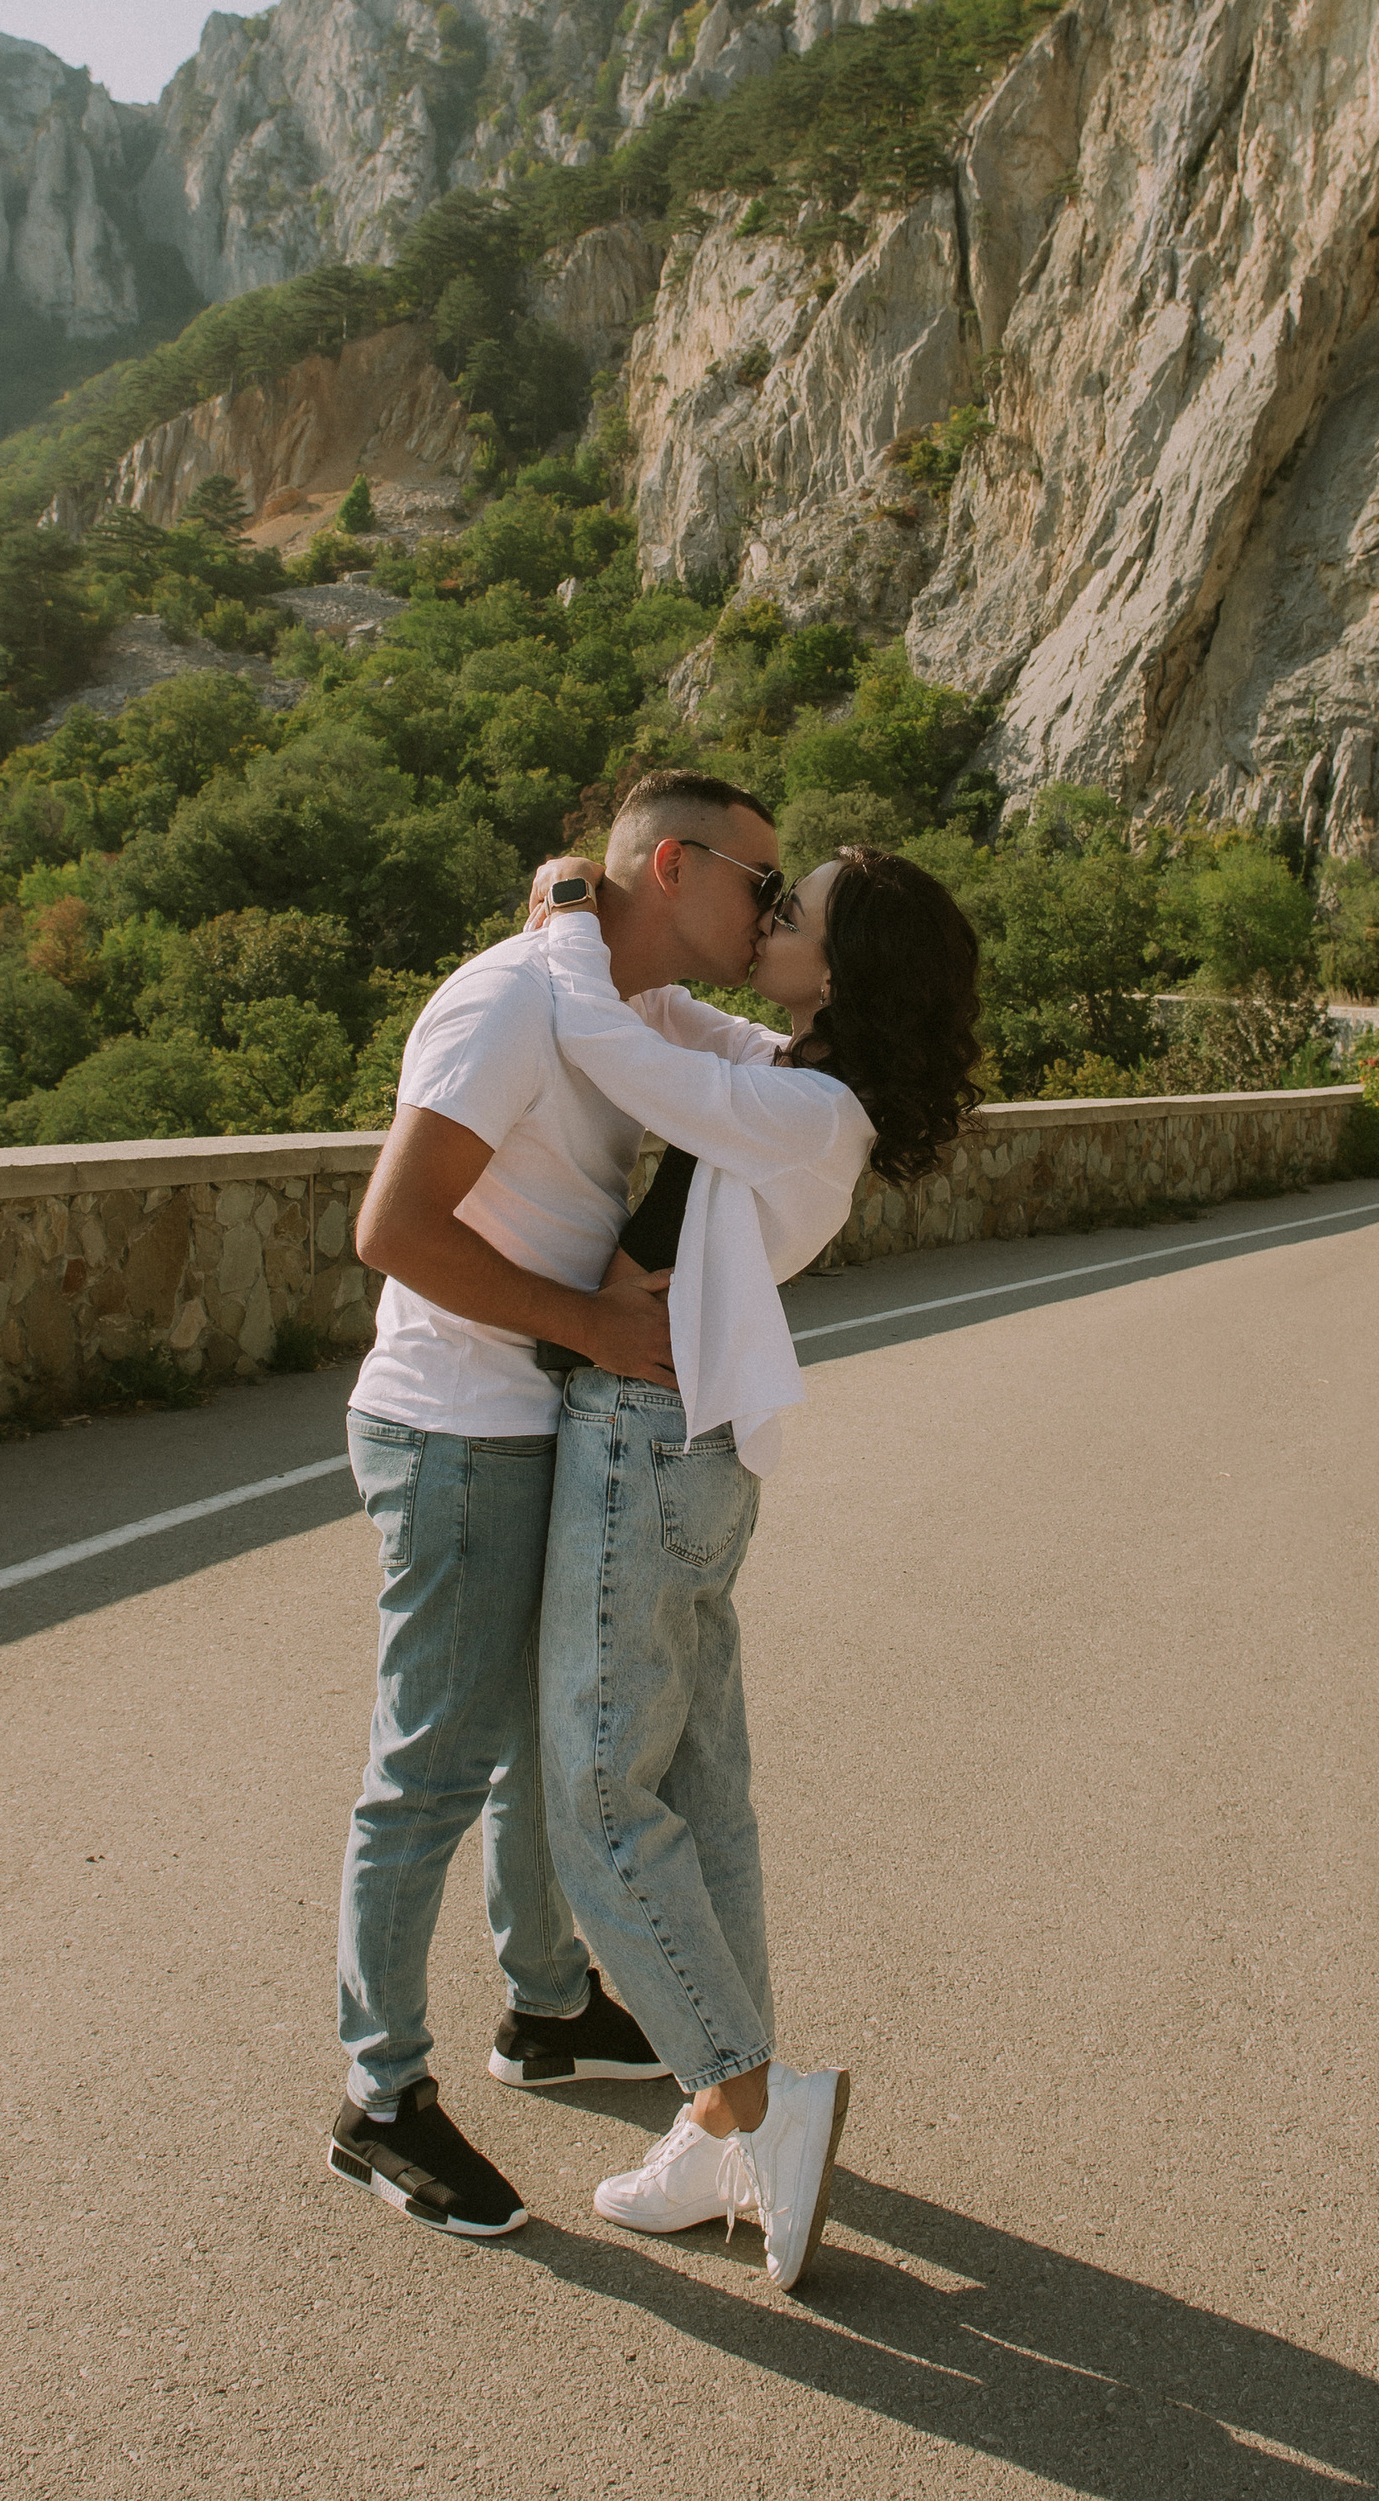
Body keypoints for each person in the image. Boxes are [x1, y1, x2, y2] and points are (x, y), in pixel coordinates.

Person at [327, 770, 798, 2240]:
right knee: (433, 1767)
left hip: (539, 1420)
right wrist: (590, 1329)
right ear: (672, 866)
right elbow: (391, 1230)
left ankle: (542, 2008)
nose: (770, 909)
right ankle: (380, 2097)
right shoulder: (514, 1002)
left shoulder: (631, 1006)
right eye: (757, 883)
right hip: (455, 1426)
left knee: (544, 1744)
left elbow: (802, 1067)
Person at [522, 840, 984, 2291]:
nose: (770, 919)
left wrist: (556, 925)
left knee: (597, 1792)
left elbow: (613, 1036)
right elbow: (670, 1024)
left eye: (796, 912)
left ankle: (750, 2098)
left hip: (651, 1444)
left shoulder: (802, 1112)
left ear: (843, 969)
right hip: (690, 1451)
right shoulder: (796, 1079)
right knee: (697, 1794)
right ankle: (717, 2126)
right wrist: (615, 929)